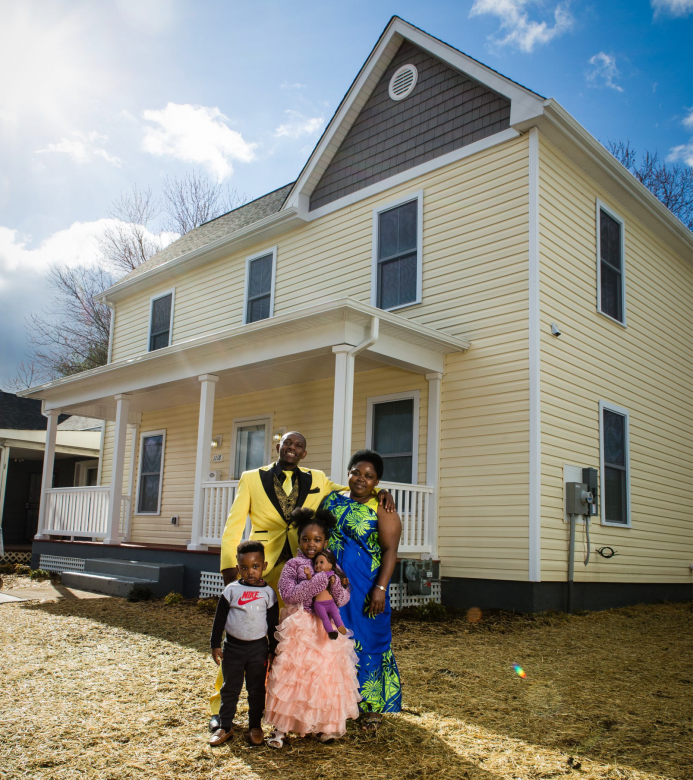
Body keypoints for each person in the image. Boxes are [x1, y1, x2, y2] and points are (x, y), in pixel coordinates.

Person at [209, 431, 394, 729]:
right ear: (278, 446)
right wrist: (230, 572)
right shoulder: (251, 478)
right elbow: (233, 528)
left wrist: (382, 491)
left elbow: (353, 486)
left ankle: (280, 708)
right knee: (243, 635)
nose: (292, 449)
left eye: (299, 445)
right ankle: (220, 708)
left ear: (304, 453)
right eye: (288, 444)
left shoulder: (318, 478)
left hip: (303, 572)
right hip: (261, 568)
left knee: (293, 643)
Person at [263, 507, 361, 748]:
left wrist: (335, 583)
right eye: (306, 539)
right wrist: (319, 580)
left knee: (323, 676)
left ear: (325, 541)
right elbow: (288, 594)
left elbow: (342, 598)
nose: (311, 544)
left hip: (325, 630)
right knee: (293, 676)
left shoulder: (331, 565)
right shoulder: (293, 565)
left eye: (317, 540)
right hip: (302, 626)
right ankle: (281, 729)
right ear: (299, 539)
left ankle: (323, 725)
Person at [321, 449, 402, 733]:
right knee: (334, 642)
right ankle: (339, 703)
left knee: (369, 642)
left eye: (369, 476)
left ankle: (371, 707)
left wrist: (380, 587)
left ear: (376, 481)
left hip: (367, 588)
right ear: (348, 473)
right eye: (356, 472)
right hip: (331, 587)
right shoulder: (331, 500)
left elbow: (391, 550)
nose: (360, 479)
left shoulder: (382, 508)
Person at [209, 540, 278, 747]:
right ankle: (225, 726)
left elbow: (273, 624)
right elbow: (219, 619)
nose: (250, 572)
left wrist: (273, 650)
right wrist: (215, 644)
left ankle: (255, 727)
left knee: (256, 690)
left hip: (258, 649)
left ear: (264, 566)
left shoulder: (269, 593)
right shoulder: (231, 590)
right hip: (233, 648)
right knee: (230, 688)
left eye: (255, 567)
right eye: (245, 568)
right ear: (238, 568)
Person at [305, 549, 349, 639]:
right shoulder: (316, 576)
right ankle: (330, 632)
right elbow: (310, 581)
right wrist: (308, 574)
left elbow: (336, 582)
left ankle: (341, 626)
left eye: (321, 562)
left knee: (336, 615)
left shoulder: (331, 575)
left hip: (331, 602)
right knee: (325, 618)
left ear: (330, 566)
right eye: (316, 563)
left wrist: (340, 581)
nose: (318, 565)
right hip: (319, 604)